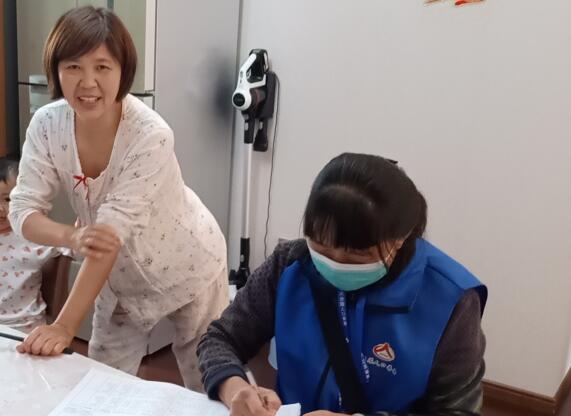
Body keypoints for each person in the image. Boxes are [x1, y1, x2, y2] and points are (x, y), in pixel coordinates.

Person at [8, 6, 228, 391]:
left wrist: (64, 326)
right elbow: (22, 210)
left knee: (208, 382)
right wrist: (71, 236)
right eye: (73, 66)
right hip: (118, 280)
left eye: (102, 67)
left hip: (189, 266)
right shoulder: (47, 125)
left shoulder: (150, 135)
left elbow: (109, 235)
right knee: (103, 385)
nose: (88, 82)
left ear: (123, 71)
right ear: (56, 70)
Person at [197, 153, 487, 415]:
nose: (335, 263)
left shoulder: (450, 299)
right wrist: (235, 388)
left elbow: (457, 410)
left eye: (357, 254)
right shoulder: (290, 264)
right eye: (321, 247)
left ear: (400, 238)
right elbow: (221, 338)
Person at [0, 157, 65, 333]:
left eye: (8, 199)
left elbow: (74, 246)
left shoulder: (32, 234)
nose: (1, 209)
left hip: (26, 327)